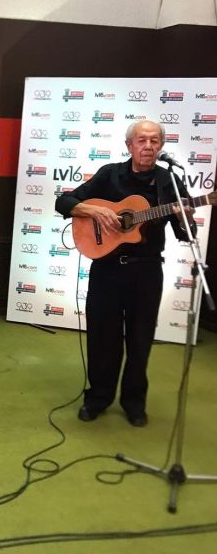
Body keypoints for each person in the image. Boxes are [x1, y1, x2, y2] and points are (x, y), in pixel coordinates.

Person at [56, 120, 195, 427]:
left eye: (155, 141)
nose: (148, 146)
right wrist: (94, 211)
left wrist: (184, 215)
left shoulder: (168, 182)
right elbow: (64, 201)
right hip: (106, 270)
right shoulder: (110, 174)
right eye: (142, 140)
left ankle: (134, 402)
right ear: (130, 145)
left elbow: (187, 234)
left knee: (140, 337)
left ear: (161, 146)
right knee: (102, 337)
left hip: (146, 271)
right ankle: (98, 398)